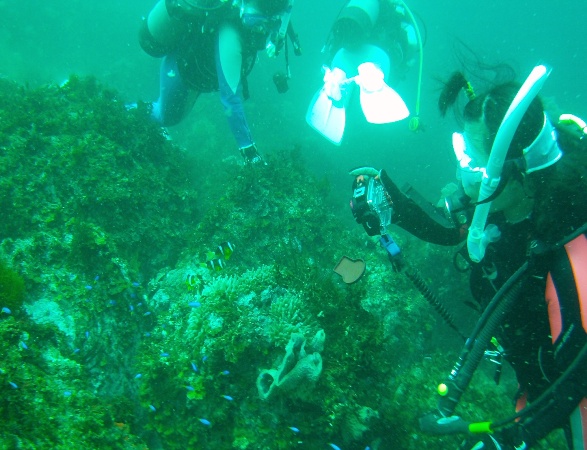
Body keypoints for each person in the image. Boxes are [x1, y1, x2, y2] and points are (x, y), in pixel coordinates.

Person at [349, 64, 587, 449]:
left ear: (519, 171)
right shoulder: (508, 206)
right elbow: (451, 230)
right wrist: (391, 204)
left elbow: (577, 390)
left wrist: (511, 440)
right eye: (463, 157)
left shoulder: (571, 263)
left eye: (475, 165)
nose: (464, 178)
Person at [138, 0, 299, 165]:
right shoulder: (231, 33)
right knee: (164, 116)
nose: (265, 29)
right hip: (181, 71)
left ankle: (137, 112)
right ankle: (129, 110)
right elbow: (230, 99)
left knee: (167, 117)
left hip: (199, 76)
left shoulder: (259, 21)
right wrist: (250, 154)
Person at [306, 0, 423, 146]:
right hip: (378, 56)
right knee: (374, 77)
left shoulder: (360, 9)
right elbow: (403, 57)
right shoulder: (396, 15)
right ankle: (370, 76)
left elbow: (335, 40)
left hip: (344, 53)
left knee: (339, 79)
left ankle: (337, 79)